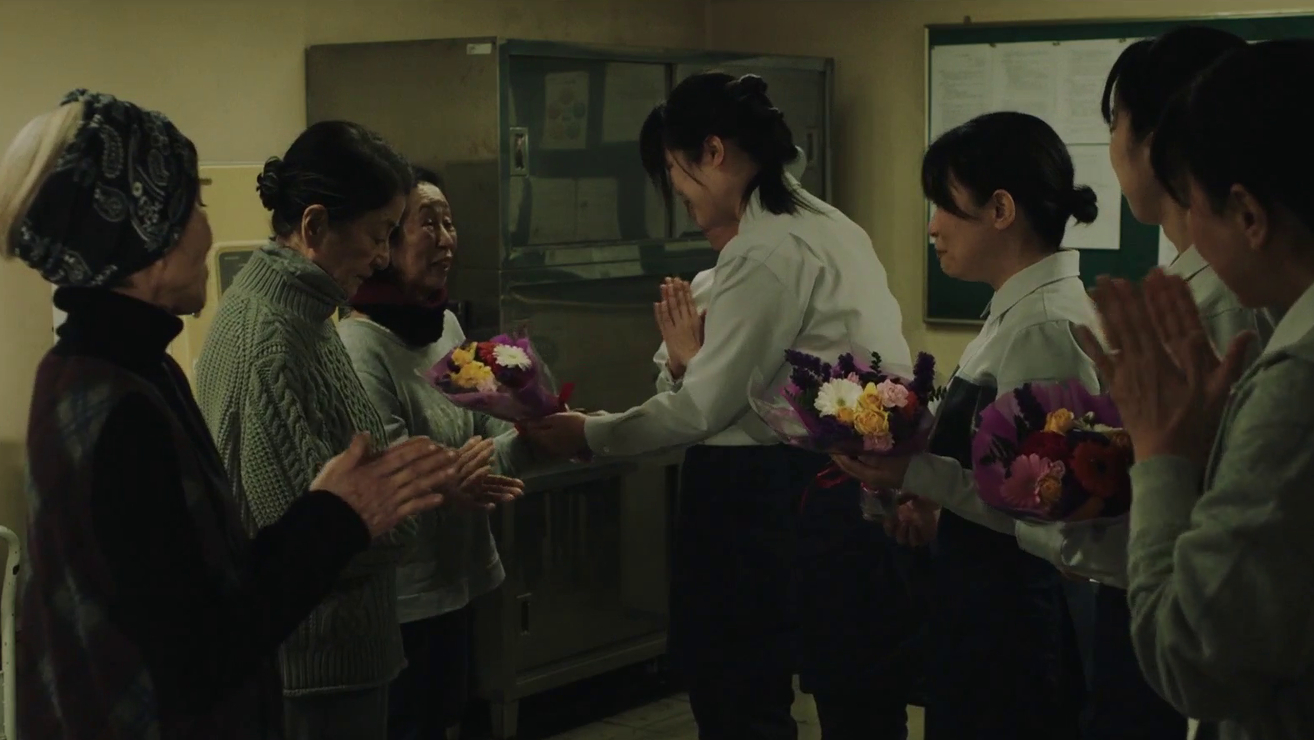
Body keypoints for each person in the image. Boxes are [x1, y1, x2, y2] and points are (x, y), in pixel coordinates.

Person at [2, 91, 461, 739]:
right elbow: (200, 648)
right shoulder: (109, 399)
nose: (208, 232)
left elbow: (211, 581)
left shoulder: (124, 367)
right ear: (145, 232)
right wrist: (338, 514)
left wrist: (338, 507)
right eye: (195, 208)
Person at [525, 73, 918, 740]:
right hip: (840, 479)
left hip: (763, 490)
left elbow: (700, 409)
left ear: (712, 151)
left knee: (740, 693)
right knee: (854, 688)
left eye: (675, 172)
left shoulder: (767, 250)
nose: (678, 194)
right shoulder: (828, 225)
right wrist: (690, 365)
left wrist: (588, 434)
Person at [194, 122, 497, 740]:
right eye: (379, 235)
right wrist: (413, 496)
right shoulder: (276, 340)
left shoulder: (311, 315)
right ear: (314, 227)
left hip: (351, 655)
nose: (383, 257)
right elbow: (304, 538)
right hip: (314, 668)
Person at [1011, 27, 1270, 740]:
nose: (1112, 148)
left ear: (1161, 141)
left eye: (1114, 124)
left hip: (1178, 601)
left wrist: (1078, 535)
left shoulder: (1218, 302)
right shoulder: (1202, 282)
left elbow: (1201, 488)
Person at [832, 111, 1102, 740]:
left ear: (1001, 209)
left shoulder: (1042, 326)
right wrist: (928, 495)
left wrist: (914, 472)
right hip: (987, 605)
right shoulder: (1016, 311)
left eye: (945, 205)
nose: (932, 227)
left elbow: (1042, 502)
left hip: (1017, 619)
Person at [1079, 39, 1314, 740]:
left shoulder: (1296, 384)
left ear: (1248, 213)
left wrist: (1162, 457)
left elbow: (1194, 659)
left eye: (1193, 200)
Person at [338, 166, 531, 740]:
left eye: (450, 223)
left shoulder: (444, 324)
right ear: (385, 243)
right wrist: (465, 468)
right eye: (429, 223)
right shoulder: (358, 346)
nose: (447, 238)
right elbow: (404, 477)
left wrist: (536, 431)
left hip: (462, 579)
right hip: (408, 601)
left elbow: (485, 425)